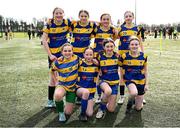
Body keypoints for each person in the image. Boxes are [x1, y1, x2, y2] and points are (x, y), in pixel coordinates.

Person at [42, 7, 71, 108]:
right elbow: (44, 41)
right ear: (53, 14)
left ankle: (68, 99)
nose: (59, 15)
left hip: (65, 55)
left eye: (60, 13)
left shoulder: (67, 22)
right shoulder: (49, 24)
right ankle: (50, 101)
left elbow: (83, 21)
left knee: (66, 77)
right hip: (53, 56)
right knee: (53, 79)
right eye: (56, 13)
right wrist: (50, 55)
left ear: (63, 14)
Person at [117, 11, 144, 105]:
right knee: (122, 75)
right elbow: (114, 37)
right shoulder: (120, 27)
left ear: (133, 17)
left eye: (130, 16)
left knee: (137, 74)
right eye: (126, 16)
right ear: (124, 18)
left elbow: (140, 41)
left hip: (134, 54)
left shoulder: (137, 28)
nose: (128, 18)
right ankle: (121, 96)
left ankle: (140, 95)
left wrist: (142, 52)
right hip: (122, 54)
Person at [51, 43, 80, 122]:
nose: (67, 53)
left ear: (72, 51)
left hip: (72, 88)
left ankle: (66, 105)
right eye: (65, 51)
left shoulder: (76, 58)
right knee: (57, 95)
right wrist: (56, 81)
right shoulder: (58, 62)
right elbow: (52, 71)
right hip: (62, 85)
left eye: (69, 51)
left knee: (68, 112)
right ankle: (60, 112)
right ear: (62, 52)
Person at [119, 36, 148, 114]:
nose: (134, 46)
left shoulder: (144, 56)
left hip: (141, 81)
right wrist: (122, 79)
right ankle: (129, 104)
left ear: (139, 45)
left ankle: (136, 101)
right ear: (129, 46)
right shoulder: (124, 56)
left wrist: (146, 84)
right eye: (132, 44)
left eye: (136, 44)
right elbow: (121, 68)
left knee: (138, 108)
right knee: (134, 92)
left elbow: (146, 71)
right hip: (129, 79)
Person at [93, 13, 117, 104]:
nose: (106, 21)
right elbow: (89, 22)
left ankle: (105, 94)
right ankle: (99, 96)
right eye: (104, 19)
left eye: (108, 19)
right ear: (101, 20)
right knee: (98, 76)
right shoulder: (96, 29)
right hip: (97, 55)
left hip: (107, 55)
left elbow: (113, 40)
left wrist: (113, 27)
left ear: (110, 20)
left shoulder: (112, 30)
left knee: (105, 75)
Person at [96, 38, 120, 119]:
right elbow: (93, 63)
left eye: (111, 46)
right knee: (108, 91)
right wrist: (98, 71)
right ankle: (101, 109)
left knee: (111, 109)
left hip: (115, 83)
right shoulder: (99, 56)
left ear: (114, 46)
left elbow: (124, 65)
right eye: (107, 46)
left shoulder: (117, 56)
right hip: (103, 81)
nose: (109, 48)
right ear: (104, 47)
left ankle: (105, 100)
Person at [76, 47, 99, 121]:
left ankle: (84, 103)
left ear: (93, 55)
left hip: (91, 91)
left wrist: (98, 65)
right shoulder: (80, 62)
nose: (88, 56)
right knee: (85, 92)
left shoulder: (96, 65)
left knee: (90, 114)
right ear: (83, 55)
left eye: (90, 54)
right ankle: (82, 114)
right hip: (80, 89)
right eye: (87, 54)